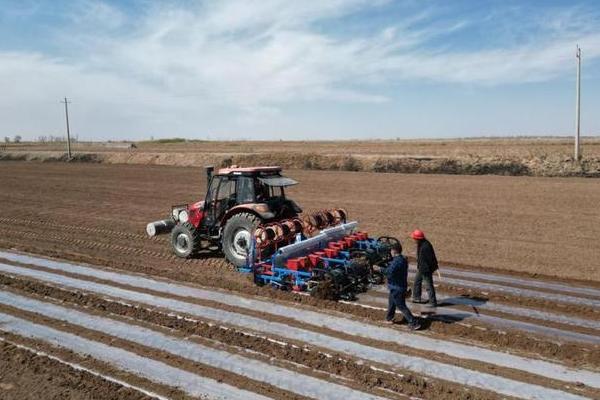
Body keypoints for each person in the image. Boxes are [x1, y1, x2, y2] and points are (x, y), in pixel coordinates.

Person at [385, 243, 421, 330]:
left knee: (401, 305)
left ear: (394, 251)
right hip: (399, 285)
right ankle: (389, 318)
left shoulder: (396, 262)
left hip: (397, 287)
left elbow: (389, 272)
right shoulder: (403, 259)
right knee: (391, 302)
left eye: (391, 250)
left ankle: (413, 322)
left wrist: (379, 269)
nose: (390, 252)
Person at [411, 229, 438, 308]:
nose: (414, 240)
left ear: (418, 238)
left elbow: (431, 258)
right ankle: (416, 297)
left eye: (414, 238)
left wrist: (432, 267)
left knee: (429, 285)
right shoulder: (421, 244)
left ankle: (433, 302)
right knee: (417, 282)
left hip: (426, 269)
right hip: (421, 267)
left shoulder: (426, 246)